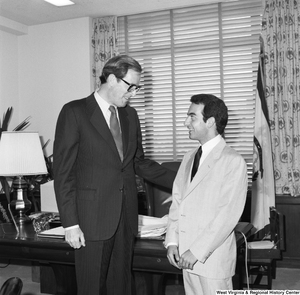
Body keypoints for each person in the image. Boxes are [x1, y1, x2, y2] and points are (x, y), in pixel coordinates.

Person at [53, 55, 176, 295]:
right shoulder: (75, 112)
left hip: (125, 217)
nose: (134, 94)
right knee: (92, 288)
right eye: (131, 87)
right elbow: (63, 172)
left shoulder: (130, 116)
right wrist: (70, 223)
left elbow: (138, 163)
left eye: (137, 88)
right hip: (90, 220)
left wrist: (184, 178)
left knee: (121, 286)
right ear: (111, 79)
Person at [165, 94, 248, 295]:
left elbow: (227, 216)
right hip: (185, 256)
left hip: (211, 259)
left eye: (192, 117)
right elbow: (177, 202)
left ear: (210, 122)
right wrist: (172, 241)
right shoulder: (188, 158)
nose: (186, 122)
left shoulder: (233, 161)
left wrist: (196, 251)